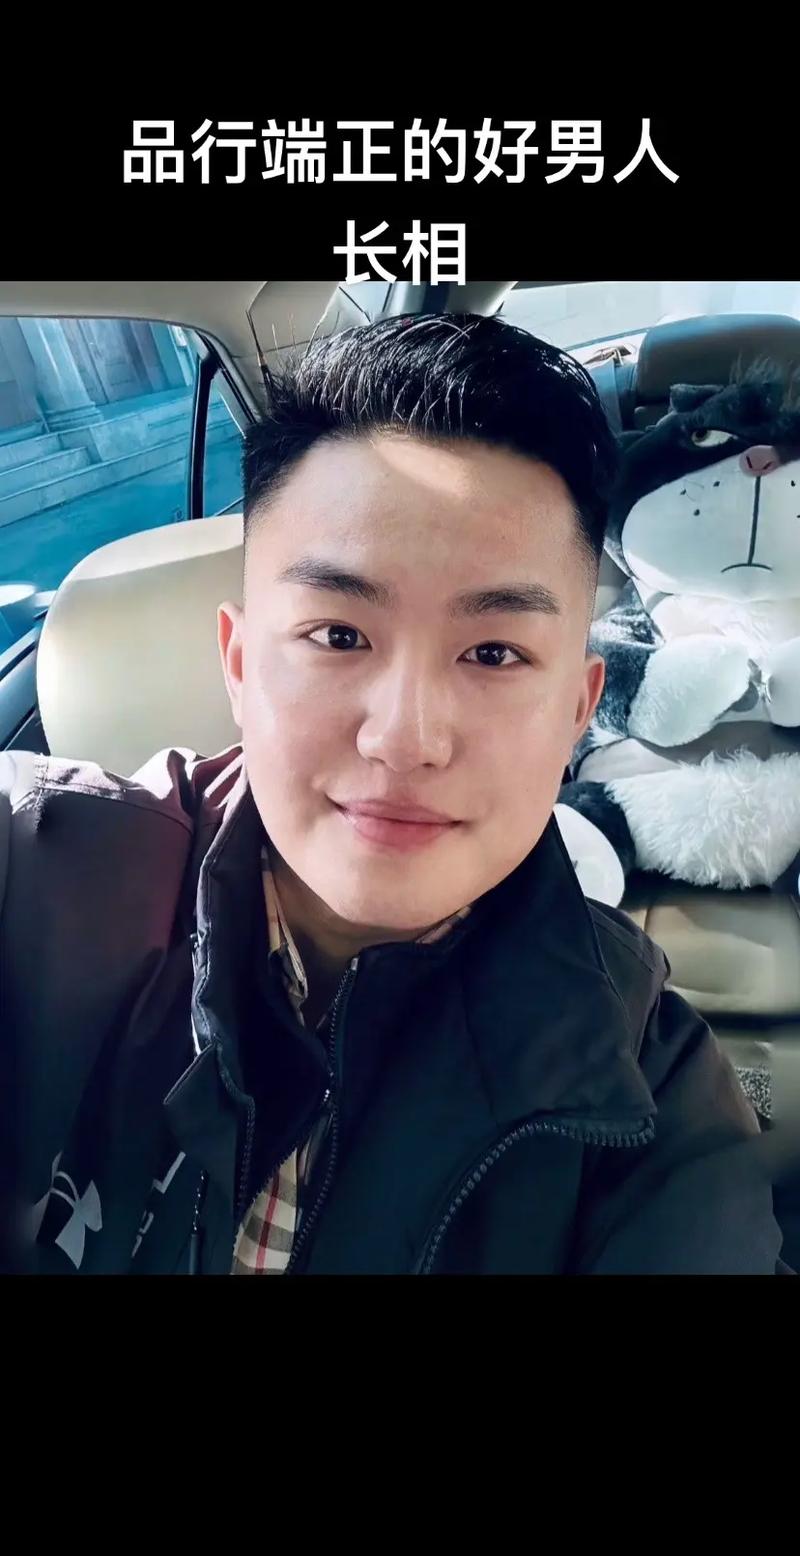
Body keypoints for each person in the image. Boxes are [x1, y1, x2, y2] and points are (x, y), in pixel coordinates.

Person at [0, 314, 783, 1274]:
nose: (405, 739)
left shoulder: (651, 1093)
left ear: (578, 712)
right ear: (239, 666)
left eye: (494, 653)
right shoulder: (35, 878)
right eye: (339, 636)